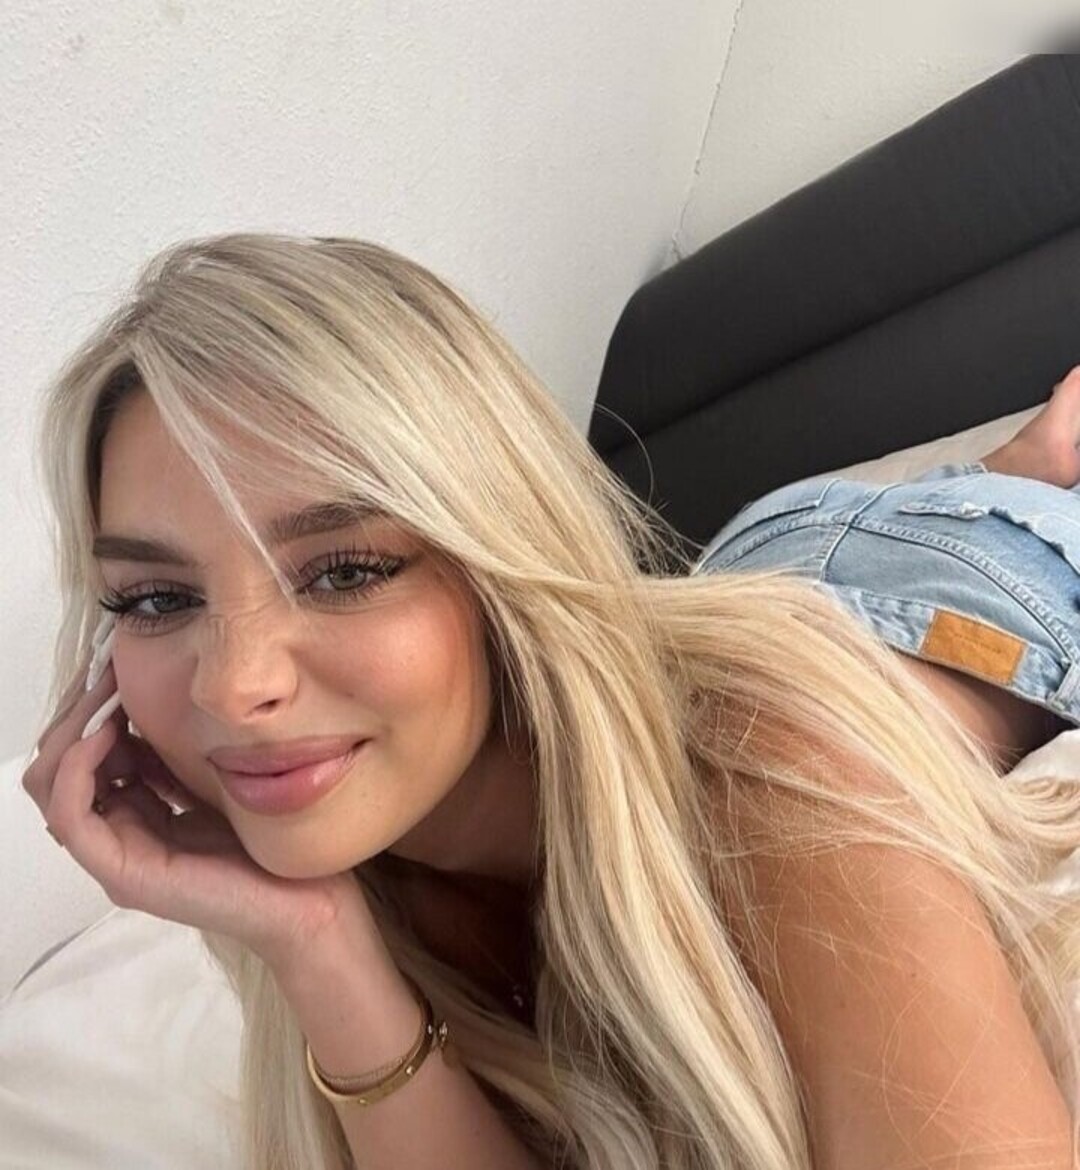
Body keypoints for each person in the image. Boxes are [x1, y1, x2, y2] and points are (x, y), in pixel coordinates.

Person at [20, 232, 1080, 1170]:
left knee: (977, 507)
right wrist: (318, 948)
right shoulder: (356, 856)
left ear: (499, 566)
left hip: (953, 582)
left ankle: (1014, 470)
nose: (234, 686)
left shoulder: (769, 764)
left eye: (343, 570)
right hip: (744, 580)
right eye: (157, 598)